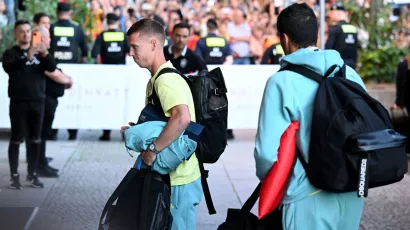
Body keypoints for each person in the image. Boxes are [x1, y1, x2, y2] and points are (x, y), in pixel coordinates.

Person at [254, 3, 365, 229]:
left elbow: (266, 154)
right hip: (351, 190)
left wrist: (271, 181)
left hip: (306, 195)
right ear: (317, 35)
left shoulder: (281, 82)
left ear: (284, 39)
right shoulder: (349, 74)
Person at [122, 18, 202, 230]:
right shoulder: (158, 78)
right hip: (174, 178)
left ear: (154, 44)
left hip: (179, 180)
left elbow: (182, 118)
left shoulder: (166, 80)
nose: (131, 53)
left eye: (135, 47)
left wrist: (152, 149)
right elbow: (167, 120)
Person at [2, 20, 58, 189]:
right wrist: (28, 55)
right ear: (15, 34)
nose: (26, 34)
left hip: (38, 102)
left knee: (35, 140)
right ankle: (14, 176)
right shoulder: (10, 53)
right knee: (17, 139)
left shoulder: (40, 51)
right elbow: (9, 68)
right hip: (18, 102)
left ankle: (32, 174)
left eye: (28, 31)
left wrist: (45, 53)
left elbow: (52, 67)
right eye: (22, 31)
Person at [49, 2, 88, 140]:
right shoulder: (76, 29)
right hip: (73, 70)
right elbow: (85, 49)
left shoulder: (51, 28)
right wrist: (82, 61)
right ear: (70, 13)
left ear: (56, 13)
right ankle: (72, 133)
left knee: (54, 102)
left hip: (54, 70)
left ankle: (52, 133)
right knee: (72, 102)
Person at [91, 12, 129, 141]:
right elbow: (131, 52)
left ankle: (106, 133)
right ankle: (124, 133)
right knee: (122, 103)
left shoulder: (102, 35)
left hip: (105, 74)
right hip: (122, 74)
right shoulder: (123, 35)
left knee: (106, 103)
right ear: (118, 22)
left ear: (106, 22)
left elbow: (94, 53)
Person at [325, 3, 359, 69]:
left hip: (338, 67)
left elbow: (328, 49)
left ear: (338, 13)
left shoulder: (335, 29)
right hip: (351, 66)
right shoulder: (353, 28)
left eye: (332, 13)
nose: (330, 16)